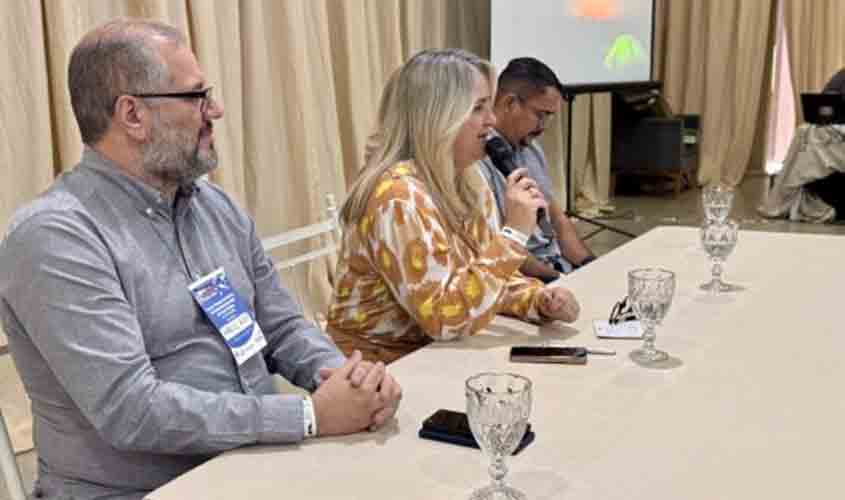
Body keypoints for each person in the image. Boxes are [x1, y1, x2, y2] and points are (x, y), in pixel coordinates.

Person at [0, 18, 400, 500]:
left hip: (258, 465)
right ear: (133, 115)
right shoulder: (56, 236)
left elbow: (283, 327)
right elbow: (132, 410)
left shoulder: (216, 208)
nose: (217, 109)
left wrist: (344, 380)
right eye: (196, 97)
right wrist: (309, 416)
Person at [326, 49, 580, 363]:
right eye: (478, 108)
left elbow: (479, 279)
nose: (492, 120)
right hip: (377, 367)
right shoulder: (398, 196)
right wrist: (513, 235)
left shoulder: (468, 180)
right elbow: (444, 319)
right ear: (437, 119)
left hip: (434, 352)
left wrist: (538, 299)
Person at [479, 57, 595, 283]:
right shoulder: (477, 161)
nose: (543, 127)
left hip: (554, 269)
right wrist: (560, 280)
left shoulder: (531, 149)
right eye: (540, 115)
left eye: (549, 117)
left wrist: (590, 266)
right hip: (520, 278)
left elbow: (557, 220)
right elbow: (498, 244)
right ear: (510, 103)